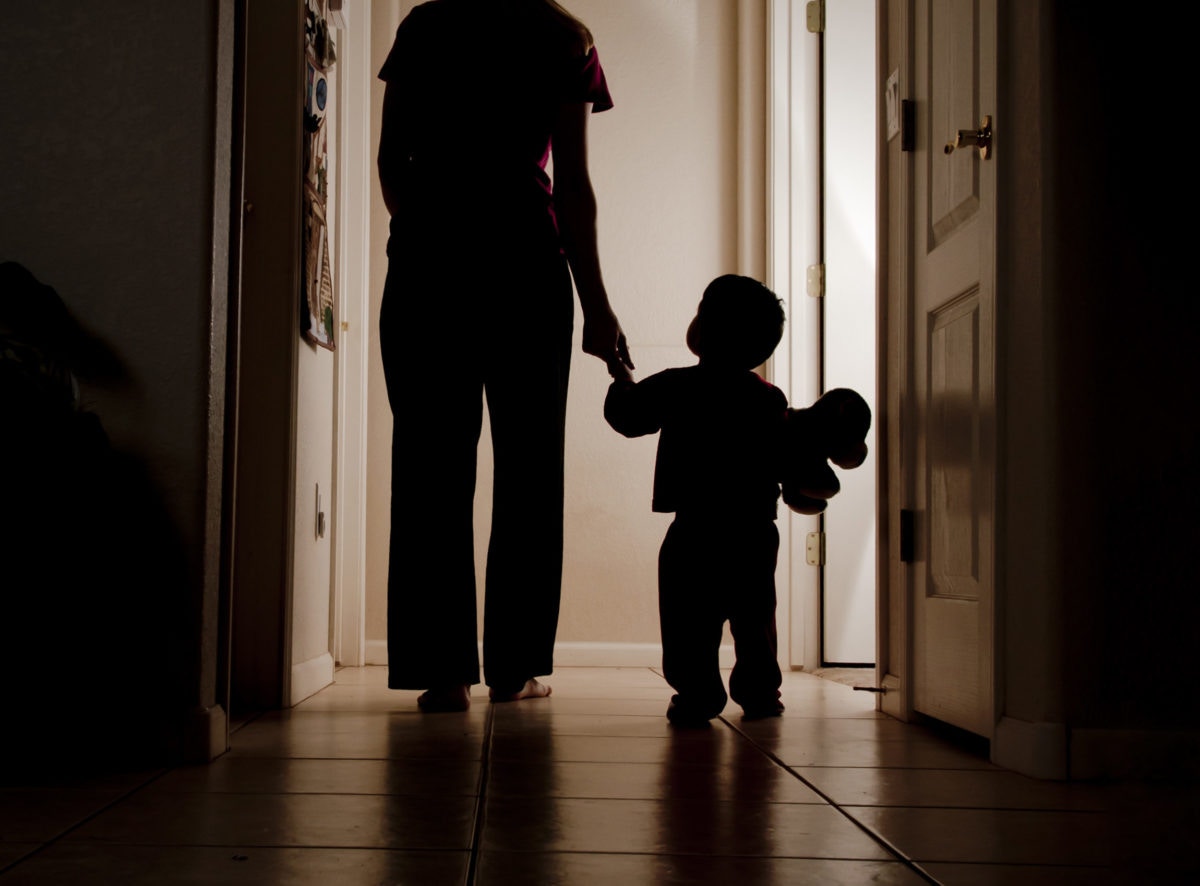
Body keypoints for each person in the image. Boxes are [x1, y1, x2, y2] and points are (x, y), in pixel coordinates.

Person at [377, 0, 632, 712]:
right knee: (529, 469)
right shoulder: (564, 38)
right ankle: (514, 669)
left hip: (429, 264)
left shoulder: (425, 27)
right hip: (526, 262)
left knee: (429, 464)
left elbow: (392, 158)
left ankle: (442, 672)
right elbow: (573, 184)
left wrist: (427, 233)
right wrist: (597, 305)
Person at [603, 275, 787, 725]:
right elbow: (784, 456)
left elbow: (627, 416)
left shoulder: (677, 386)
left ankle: (698, 693)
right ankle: (760, 692)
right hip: (754, 530)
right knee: (755, 618)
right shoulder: (769, 398)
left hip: (695, 529)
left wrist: (619, 373)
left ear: (701, 331)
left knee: (689, 621)